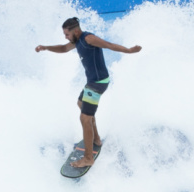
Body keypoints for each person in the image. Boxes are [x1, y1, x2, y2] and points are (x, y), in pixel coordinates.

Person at [35, 17, 141, 169]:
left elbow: (109, 45)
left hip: (98, 83)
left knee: (85, 118)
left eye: (67, 34)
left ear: (75, 31)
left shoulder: (89, 38)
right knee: (81, 104)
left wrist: (130, 51)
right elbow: (64, 48)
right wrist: (46, 47)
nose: (65, 37)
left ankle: (88, 158)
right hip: (91, 82)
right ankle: (96, 139)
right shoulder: (76, 41)